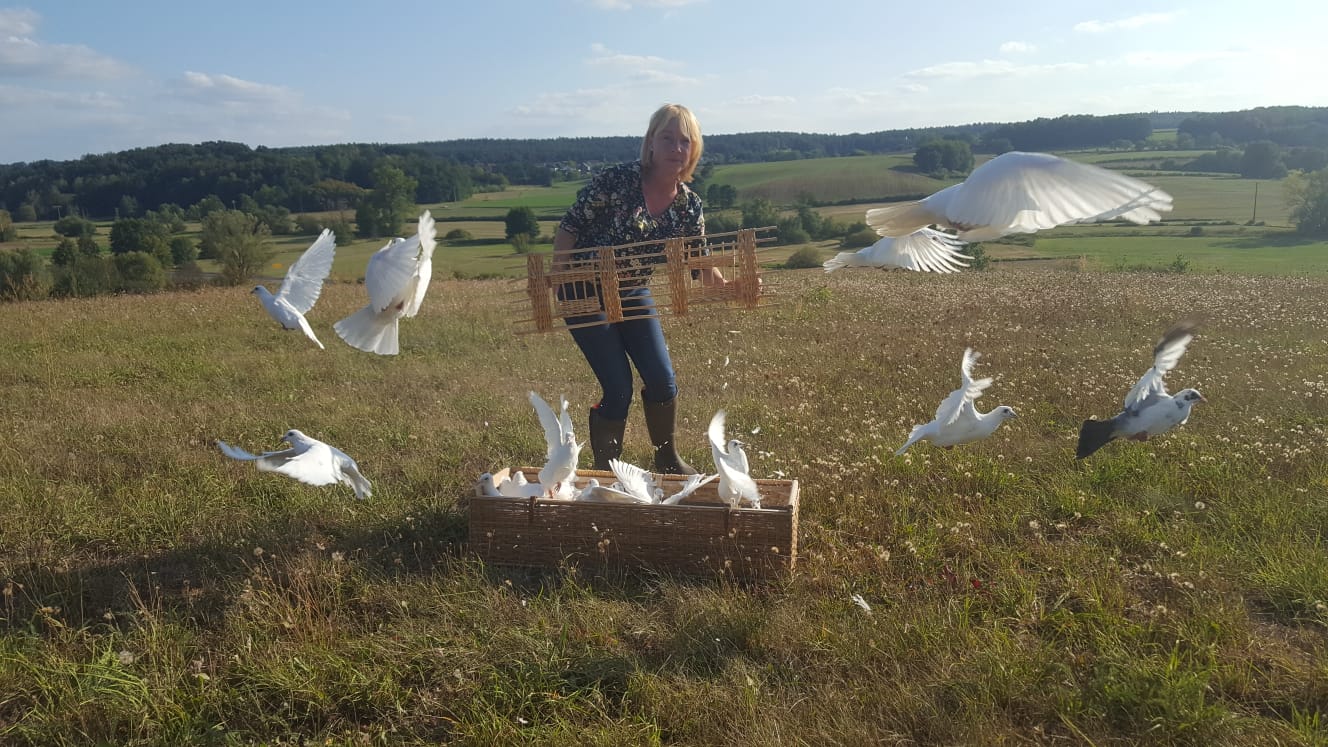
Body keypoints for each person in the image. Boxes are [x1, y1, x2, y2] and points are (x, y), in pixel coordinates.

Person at [552, 103, 734, 475]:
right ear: (650, 143)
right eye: (667, 138)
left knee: (662, 381)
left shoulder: (688, 207)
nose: (676, 148)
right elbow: (570, 226)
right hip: (584, 289)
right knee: (618, 389)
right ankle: (608, 472)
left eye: (685, 141)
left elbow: (698, 265)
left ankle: (667, 460)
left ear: (693, 150)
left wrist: (732, 286)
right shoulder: (617, 181)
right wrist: (558, 276)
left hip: (633, 290)